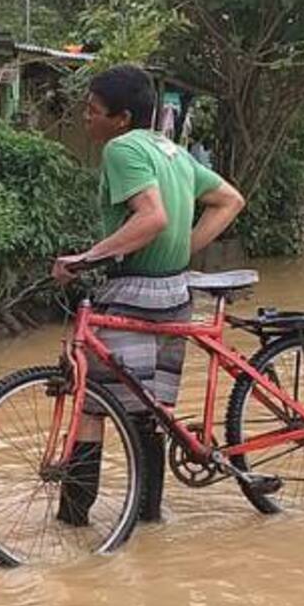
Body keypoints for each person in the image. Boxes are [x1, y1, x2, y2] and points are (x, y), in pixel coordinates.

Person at [51, 65, 246, 524]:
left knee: (94, 405)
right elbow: (231, 200)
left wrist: (88, 257)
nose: (86, 117)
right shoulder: (174, 152)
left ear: (120, 119)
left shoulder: (121, 149)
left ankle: (74, 521)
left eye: (93, 110)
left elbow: (152, 217)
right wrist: (186, 248)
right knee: (149, 412)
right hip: (175, 293)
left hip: (134, 291)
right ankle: (148, 520)